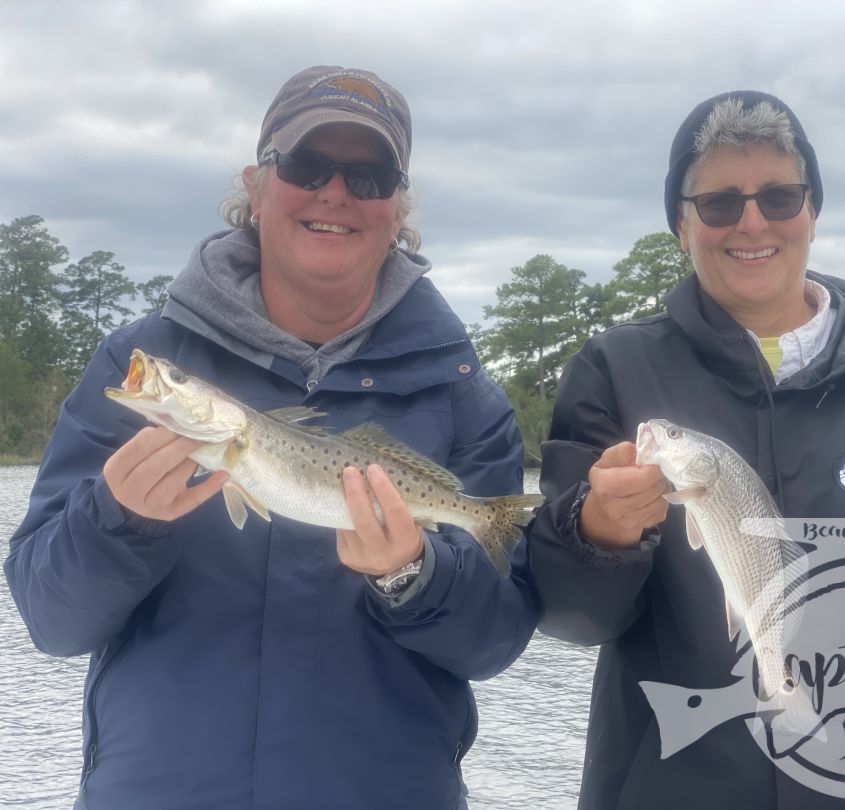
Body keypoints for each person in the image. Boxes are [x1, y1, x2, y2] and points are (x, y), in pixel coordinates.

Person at [4, 65, 536, 810]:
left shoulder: (462, 396)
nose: (335, 192)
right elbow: (50, 620)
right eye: (307, 165)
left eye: (370, 174)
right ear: (255, 189)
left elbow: (495, 641)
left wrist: (413, 576)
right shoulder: (134, 369)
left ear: (398, 209)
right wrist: (117, 524)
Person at [528, 90, 845, 810]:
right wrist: (597, 536)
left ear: (812, 212)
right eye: (719, 203)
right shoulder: (614, 372)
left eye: (779, 196)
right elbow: (572, 618)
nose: (751, 222)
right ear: (682, 224)